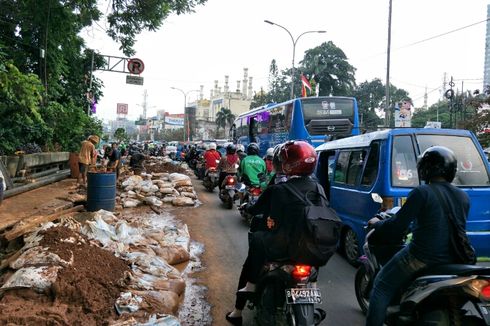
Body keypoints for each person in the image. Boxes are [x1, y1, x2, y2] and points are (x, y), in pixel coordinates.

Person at [365, 146, 470, 326]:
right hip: (456, 257)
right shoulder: (462, 196)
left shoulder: (421, 192)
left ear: (425, 169)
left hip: (422, 256)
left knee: (381, 286)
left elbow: (397, 226)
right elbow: (440, 225)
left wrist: (377, 224)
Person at [226, 141, 321, 325]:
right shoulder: (318, 187)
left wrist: (249, 207)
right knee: (312, 258)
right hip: (307, 245)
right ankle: (313, 293)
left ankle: (238, 311)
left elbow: (256, 207)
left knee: (253, 255)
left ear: (286, 163)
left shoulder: (278, 187)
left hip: (280, 244)